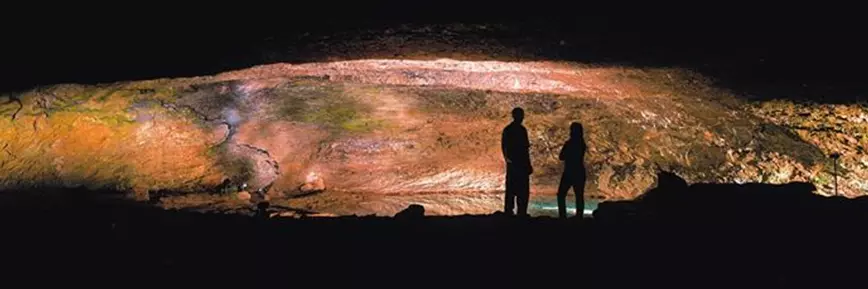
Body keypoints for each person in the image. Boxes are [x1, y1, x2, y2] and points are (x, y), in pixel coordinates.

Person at [502, 107, 533, 216]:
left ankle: (509, 211)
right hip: (520, 164)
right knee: (522, 190)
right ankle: (521, 212)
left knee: (511, 189)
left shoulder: (508, 129)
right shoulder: (521, 130)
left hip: (513, 165)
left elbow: (504, 147)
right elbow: (524, 149)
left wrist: (508, 160)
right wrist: (528, 164)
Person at [557, 122, 587, 219]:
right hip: (579, 171)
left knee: (561, 194)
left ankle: (562, 216)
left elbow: (561, 156)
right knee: (579, 195)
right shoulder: (582, 143)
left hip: (569, 172)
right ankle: (579, 216)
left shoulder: (569, 143)